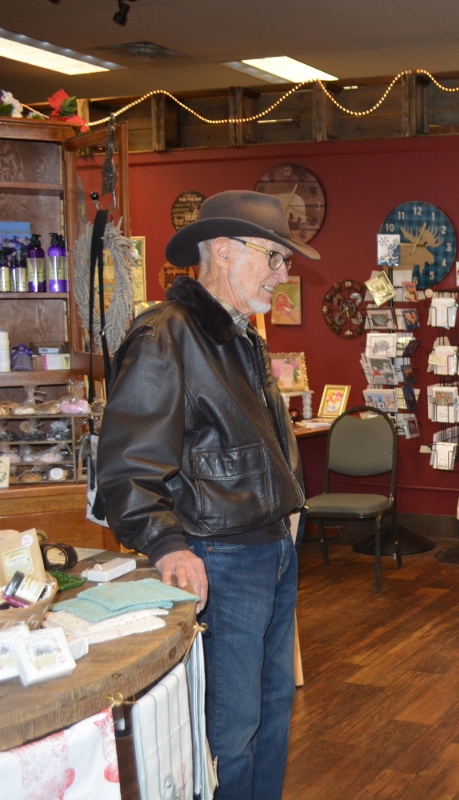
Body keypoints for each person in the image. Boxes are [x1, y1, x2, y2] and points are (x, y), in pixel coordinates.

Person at [98, 190, 318, 799]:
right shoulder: (166, 336)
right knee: (231, 728)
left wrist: (290, 507)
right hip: (219, 561)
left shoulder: (241, 336)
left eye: (284, 261)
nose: (282, 274)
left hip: (270, 553)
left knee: (272, 711)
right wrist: (166, 544)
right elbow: (126, 465)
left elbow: (264, 442)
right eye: (273, 257)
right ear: (221, 250)